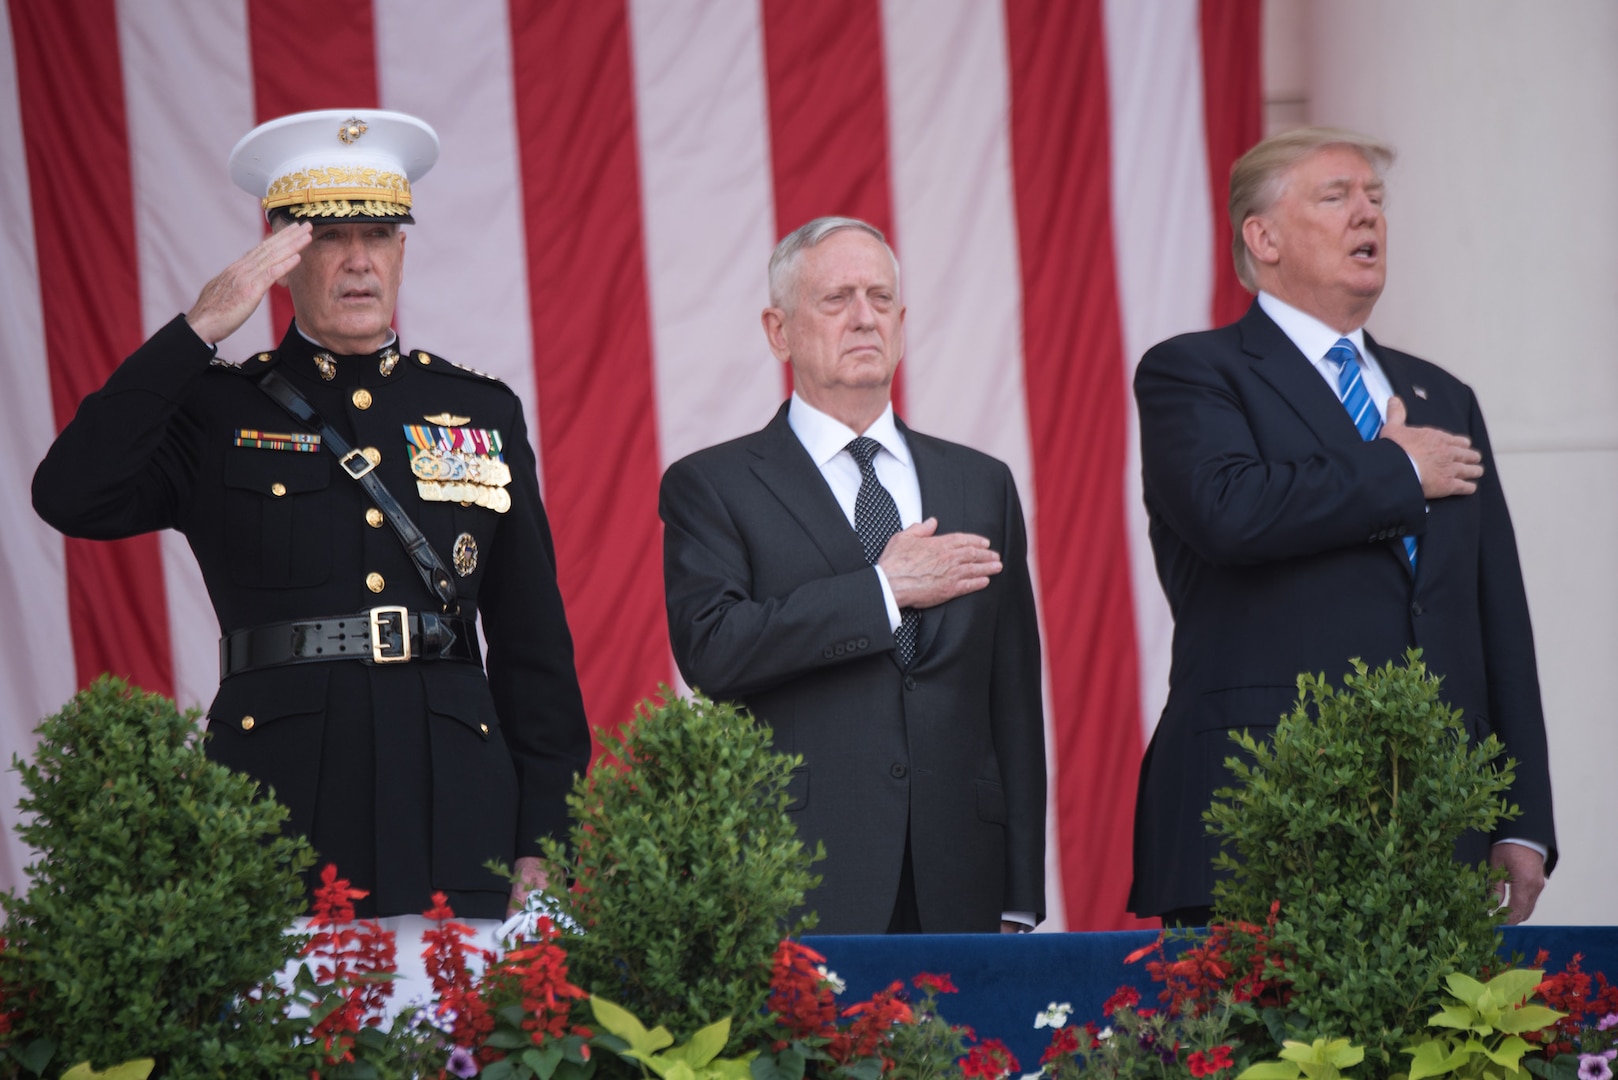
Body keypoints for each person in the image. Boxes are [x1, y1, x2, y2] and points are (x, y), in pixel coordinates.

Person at [32, 108, 591, 921]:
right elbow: (70, 493)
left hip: (458, 805)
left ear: (404, 248)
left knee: (462, 1042)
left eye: (379, 234)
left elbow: (532, 642)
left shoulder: (478, 411)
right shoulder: (216, 407)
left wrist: (546, 832)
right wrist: (194, 333)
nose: (358, 261)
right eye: (328, 237)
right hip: (277, 807)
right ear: (282, 258)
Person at [1128, 127, 1556, 925]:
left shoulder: (1442, 396)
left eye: (1377, 200)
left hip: (1437, 820)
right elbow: (1231, 512)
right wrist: (1394, 472)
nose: (1370, 215)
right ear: (1263, 237)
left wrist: (1522, 811)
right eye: (1338, 197)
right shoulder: (1194, 372)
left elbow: (1495, 614)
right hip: (1259, 812)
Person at [659, 217, 1045, 935]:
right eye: (836, 298)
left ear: (901, 320)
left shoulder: (980, 482)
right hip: (798, 869)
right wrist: (882, 592)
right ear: (779, 331)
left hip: (961, 873)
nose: (864, 317)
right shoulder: (712, 485)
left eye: (880, 298)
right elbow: (712, 649)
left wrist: (1019, 888)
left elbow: (1012, 695)